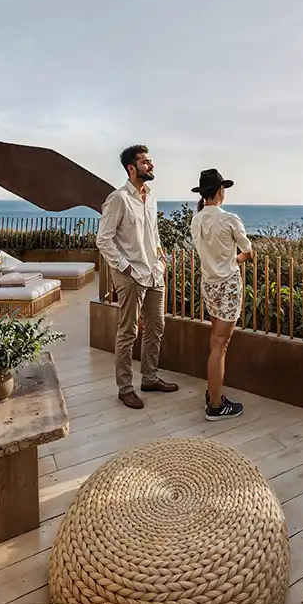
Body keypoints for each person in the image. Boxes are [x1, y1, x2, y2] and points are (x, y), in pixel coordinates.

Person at [96, 144, 178, 409]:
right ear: (131, 168)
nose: (151, 165)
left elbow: (152, 232)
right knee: (128, 331)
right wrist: (125, 267)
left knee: (157, 326)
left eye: (150, 161)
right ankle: (125, 387)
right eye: (145, 162)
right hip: (131, 275)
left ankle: (150, 377)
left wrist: (160, 256)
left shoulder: (151, 197)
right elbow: (103, 239)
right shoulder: (118, 198)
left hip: (154, 272)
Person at [189, 168, 253, 420]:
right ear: (220, 192)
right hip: (227, 284)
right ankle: (215, 405)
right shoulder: (229, 219)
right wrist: (235, 258)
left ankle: (212, 391)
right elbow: (248, 251)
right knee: (221, 344)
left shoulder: (196, 220)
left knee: (215, 339)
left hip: (208, 284)